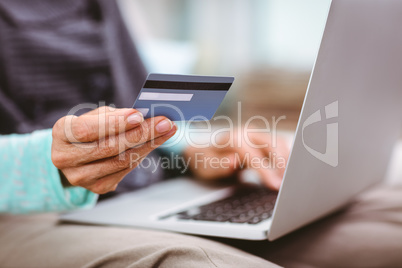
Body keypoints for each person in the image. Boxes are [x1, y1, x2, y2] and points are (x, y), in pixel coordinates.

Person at [1, 1, 402, 267]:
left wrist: (196, 149)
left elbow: (139, 106)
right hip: (23, 214)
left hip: (141, 190)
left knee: (390, 222)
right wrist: (47, 165)